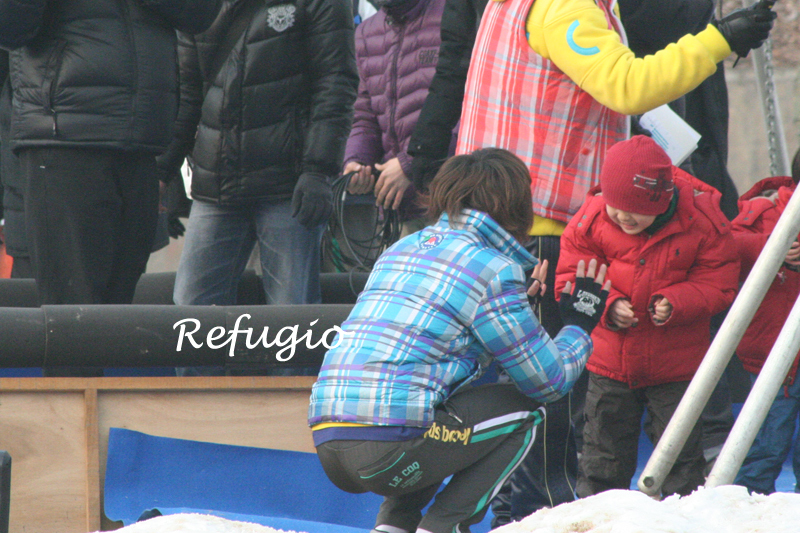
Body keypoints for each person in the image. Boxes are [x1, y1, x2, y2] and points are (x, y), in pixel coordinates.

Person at [309, 148, 610, 533]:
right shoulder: (493, 269)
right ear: (517, 206)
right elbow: (547, 381)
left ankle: (393, 526)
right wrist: (579, 324)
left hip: (329, 444)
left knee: (432, 408)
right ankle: (443, 528)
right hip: (391, 447)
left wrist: (517, 302)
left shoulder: (401, 248)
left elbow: (435, 344)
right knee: (524, 410)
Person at [555, 135, 740, 497]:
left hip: (674, 367)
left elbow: (720, 282)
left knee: (679, 458)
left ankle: (677, 514)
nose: (623, 217)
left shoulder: (703, 223)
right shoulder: (590, 220)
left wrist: (678, 301)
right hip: (610, 364)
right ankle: (600, 515)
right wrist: (608, 305)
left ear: (663, 200)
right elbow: (569, 278)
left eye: (635, 210)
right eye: (615, 207)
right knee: (602, 455)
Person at [162, 1, 358, 317]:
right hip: (217, 184)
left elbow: (335, 86)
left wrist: (318, 170)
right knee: (190, 311)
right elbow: (187, 93)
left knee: (291, 318)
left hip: (288, 184)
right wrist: (164, 170)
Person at [343, 0, 449, 232]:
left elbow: (467, 110)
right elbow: (364, 117)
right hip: (400, 208)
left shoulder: (454, 15)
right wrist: (357, 162)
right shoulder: (366, 32)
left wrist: (410, 165)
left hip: (453, 203)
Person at [732, 149, 800, 495]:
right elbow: (728, 247)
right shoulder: (766, 212)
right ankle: (748, 504)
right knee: (767, 443)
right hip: (774, 356)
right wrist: (772, 249)